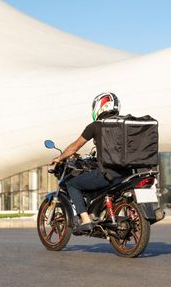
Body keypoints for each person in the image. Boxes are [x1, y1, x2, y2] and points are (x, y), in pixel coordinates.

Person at [51, 92, 124, 233]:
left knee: (72, 184)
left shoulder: (96, 126)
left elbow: (75, 146)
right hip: (127, 172)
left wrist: (59, 158)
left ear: (100, 107)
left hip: (108, 173)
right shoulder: (126, 125)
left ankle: (86, 220)